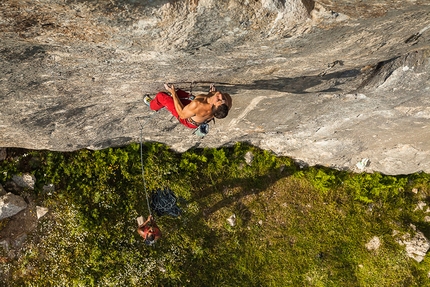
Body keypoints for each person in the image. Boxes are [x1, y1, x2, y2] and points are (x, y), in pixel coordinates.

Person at [144, 84, 232, 129]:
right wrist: (212, 95)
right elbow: (225, 106)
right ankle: (173, 97)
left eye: (219, 100)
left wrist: (173, 92)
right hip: (194, 114)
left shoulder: (197, 105)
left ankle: (153, 105)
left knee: (161, 96)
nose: (220, 95)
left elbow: (182, 114)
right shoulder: (224, 103)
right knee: (179, 94)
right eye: (222, 99)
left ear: (214, 105)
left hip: (186, 118)